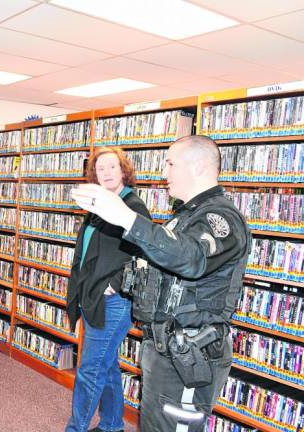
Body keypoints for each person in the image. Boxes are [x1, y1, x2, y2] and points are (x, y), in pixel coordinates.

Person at [71, 135, 251, 431]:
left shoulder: (221, 218)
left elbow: (191, 258)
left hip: (191, 353)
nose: (163, 173)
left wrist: (127, 219)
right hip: (166, 349)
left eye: (170, 163)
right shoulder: (184, 216)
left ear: (199, 167)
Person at [65, 147, 151, 432]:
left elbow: (143, 251)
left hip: (113, 301)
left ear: (123, 170)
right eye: (100, 169)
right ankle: (113, 424)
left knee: (90, 369)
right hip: (93, 295)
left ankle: (75, 428)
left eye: (112, 167)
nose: (106, 173)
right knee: (107, 365)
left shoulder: (133, 206)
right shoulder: (98, 206)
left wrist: (114, 285)